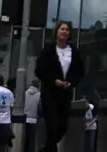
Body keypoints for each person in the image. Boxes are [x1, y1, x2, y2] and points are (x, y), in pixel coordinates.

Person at [35, 22, 85, 152]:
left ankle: (46, 149)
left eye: (67, 29)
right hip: (50, 93)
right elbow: (40, 70)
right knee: (52, 125)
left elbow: (80, 71)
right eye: (62, 29)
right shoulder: (48, 50)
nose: (64, 31)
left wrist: (71, 82)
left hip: (65, 94)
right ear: (56, 32)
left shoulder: (73, 51)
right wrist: (54, 81)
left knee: (62, 126)